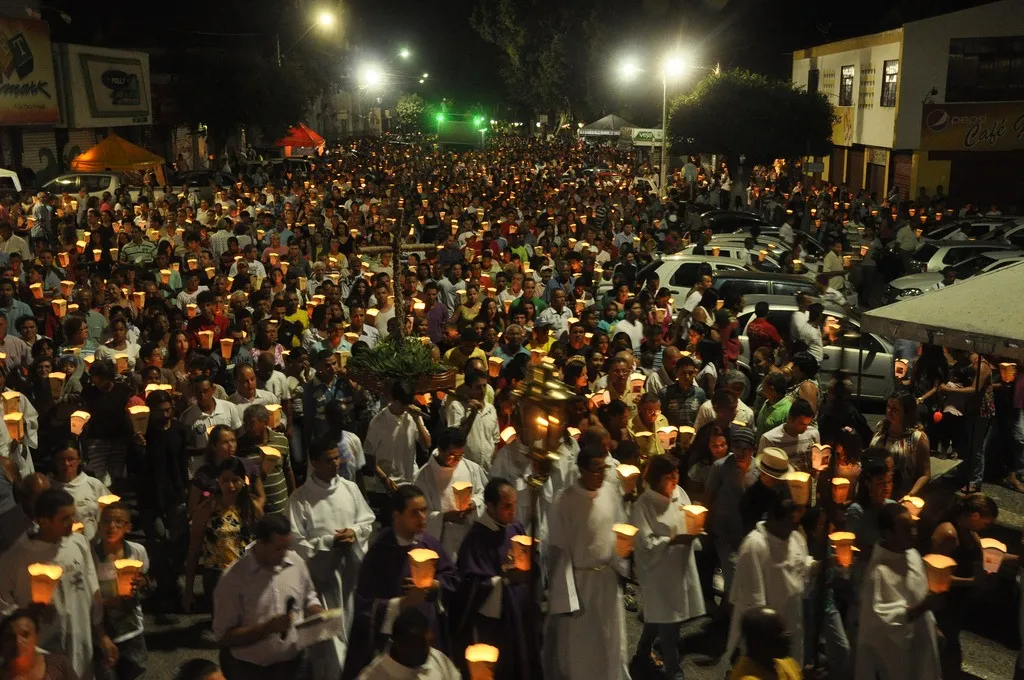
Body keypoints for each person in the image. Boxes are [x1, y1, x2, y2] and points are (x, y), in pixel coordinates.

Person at [341, 485, 458, 680]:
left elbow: (452, 576)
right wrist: (402, 603)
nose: (423, 518)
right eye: (415, 513)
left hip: (428, 635)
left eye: (424, 510)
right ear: (397, 516)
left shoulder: (429, 543)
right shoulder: (379, 554)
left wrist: (437, 585)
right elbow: (365, 608)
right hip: (396, 647)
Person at [0, 489, 117, 679]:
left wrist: (102, 635)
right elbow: (3, 603)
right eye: (65, 518)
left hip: (81, 641)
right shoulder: (16, 557)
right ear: (44, 521)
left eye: (73, 515)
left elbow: (91, 588)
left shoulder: (79, 543)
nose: (73, 522)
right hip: (43, 650)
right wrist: (27, 615)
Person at [287, 440, 375, 678]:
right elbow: (296, 541)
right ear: (314, 463)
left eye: (338, 458)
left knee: (354, 633)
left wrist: (354, 533)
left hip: (350, 578)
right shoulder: (300, 498)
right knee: (328, 646)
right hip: (321, 583)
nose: (336, 464)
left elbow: (367, 520)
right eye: (329, 459)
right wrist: (328, 542)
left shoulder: (350, 488)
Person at [544, 445, 630, 680]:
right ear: (581, 470)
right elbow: (558, 550)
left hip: (607, 579)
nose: (601, 475)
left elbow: (619, 526)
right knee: (582, 643)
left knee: (609, 638)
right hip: (580, 584)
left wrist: (623, 552)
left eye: (604, 469)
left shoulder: (610, 493)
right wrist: (564, 595)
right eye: (595, 470)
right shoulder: (565, 501)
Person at [212, 514, 324, 680]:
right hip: (252, 672)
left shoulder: (296, 563)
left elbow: (309, 595)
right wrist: (266, 628)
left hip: (296, 665)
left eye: (287, 547)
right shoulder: (234, 580)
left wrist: (315, 609)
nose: (284, 554)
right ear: (261, 543)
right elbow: (224, 637)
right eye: (278, 548)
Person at [453, 477, 542, 680]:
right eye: (507, 506)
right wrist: (503, 579)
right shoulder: (476, 539)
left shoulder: (515, 527)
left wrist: (531, 564)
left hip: (520, 613)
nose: (513, 511)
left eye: (515, 505)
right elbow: (470, 585)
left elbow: (533, 562)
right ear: (490, 506)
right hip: (495, 625)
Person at [631, 455, 704, 680]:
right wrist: (672, 541)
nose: (675, 479)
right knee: (669, 622)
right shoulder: (644, 505)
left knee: (660, 616)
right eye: (669, 476)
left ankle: (642, 652)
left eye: (677, 474)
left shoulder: (679, 493)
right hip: (658, 573)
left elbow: (688, 519)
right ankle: (674, 672)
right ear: (656, 478)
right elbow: (644, 543)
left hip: (681, 567)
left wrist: (696, 526)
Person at [726, 484, 815, 666]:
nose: (793, 528)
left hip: (792, 626)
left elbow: (801, 570)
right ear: (774, 518)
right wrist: (772, 636)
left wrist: (818, 567)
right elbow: (753, 602)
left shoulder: (795, 537)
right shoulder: (755, 546)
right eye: (789, 522)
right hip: (765, 639)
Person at [854, 503, 941, 680]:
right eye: (907, 529)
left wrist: (934, 627)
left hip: (920, 645)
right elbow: (886, 619)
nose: (914, 533)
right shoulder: (878, 573)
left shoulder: (913, 555)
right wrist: (923, 607)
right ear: (888, 533)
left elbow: (919, 593)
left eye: (914, 527)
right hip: (893, 658)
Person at [183, 457, 263, 614]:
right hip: (216, 575)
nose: (231, 486)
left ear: (243, 481)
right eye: (225, 480)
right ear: (218, 480)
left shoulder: (251, 508)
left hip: (247, 573)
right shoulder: (207, 509)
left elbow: (263, 543)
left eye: (235, 480)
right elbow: (193, 551)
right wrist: (188, 591)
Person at [92, 503, 148, 680]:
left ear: (128, 527)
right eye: (107, 521)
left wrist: (142, 583)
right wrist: (109, 603)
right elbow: (86, 598)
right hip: (102, 632)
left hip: (132, 629)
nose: (112, 526)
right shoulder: (90, 556)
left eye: (118, 522)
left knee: (135, 672)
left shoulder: (137, 551)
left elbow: (146, 578)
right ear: (99, 525)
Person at [414, 427, 487, 561]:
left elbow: (484, 494)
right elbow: (420, 514)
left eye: (460, 455)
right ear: (440, 450)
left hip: (468, 536)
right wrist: (445, 517)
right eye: (452, 454)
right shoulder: (424, 476)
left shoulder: (471, 469)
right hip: (442, 540)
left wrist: (474, 503)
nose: (457, 460)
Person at [356, 608, 461, 680]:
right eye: (419, 646)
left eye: (429, 643)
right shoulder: (373, 676)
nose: (428, 651)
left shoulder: (436, 658)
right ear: (397, 644)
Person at [365, 382, 431, 487]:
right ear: (392, 399)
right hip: (388, 483)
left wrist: (418, 421)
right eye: (402, 404)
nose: (406, 408)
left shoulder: (413, 416)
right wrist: (383, 478)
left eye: (407, 404)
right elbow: (369, 455)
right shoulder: (378, 422)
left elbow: (427, 444)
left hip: (412, 480)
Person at [869, 391, 931, 498]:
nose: (889, 411)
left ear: (906, 412)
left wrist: (910, 495)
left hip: (901, 496)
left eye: (894, 409)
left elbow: (925, 474)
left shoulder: (917, 438)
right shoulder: (881, 427)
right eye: (888, 406)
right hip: (874, 495)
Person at [49, 444, 110, 541]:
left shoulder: (93, 484)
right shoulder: (48, 487)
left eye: (71, 459)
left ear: (79, 460)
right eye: (61, 460)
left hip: (92, 544)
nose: (66, 464)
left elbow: (110, 513)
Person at [0, 609, 79, 680]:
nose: (18, 641)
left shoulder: (58, 664)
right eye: (10, 637)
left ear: (36, 636)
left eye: (25, 635)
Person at [727, 607, 802, 680]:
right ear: (760, 644)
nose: (787, 638)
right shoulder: (747, 677)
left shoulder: (786, 663)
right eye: (779, 634)